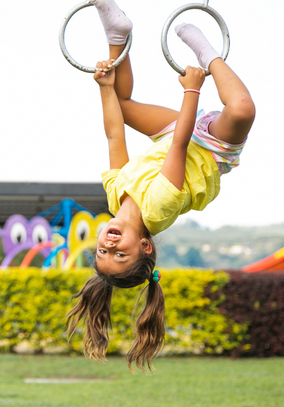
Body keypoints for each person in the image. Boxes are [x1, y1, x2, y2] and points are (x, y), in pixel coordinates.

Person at [67, 0, 255, 372]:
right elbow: (182, 147)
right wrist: (193, 90)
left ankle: (116, 33)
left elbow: (113, 134)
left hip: (172, 134)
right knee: (243, 110)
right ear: (144, 245)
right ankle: (208, 51)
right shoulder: (157, 209)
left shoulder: (114, 195)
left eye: (102, 253)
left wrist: (105, 87)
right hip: (210, 150)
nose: (108, 245)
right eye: (120, 255)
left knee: (122, 101)